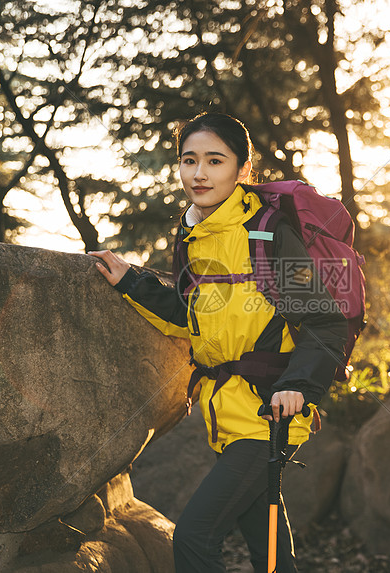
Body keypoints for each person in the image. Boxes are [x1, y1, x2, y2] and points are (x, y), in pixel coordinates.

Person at [89, 112, 348, 572]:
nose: (200, 173)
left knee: (194, 537)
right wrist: (131, 281)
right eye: (189, 160)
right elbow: (189, 315)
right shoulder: (191, 234)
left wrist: (299, 387)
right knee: (266, 541)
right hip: (222, 413)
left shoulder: (269, 235)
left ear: (243, 170)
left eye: (215, 160)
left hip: (270, 412)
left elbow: (326, 323)